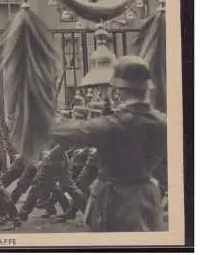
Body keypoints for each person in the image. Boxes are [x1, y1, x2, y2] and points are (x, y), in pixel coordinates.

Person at [49, 56, 166, 232]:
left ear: (119, 90)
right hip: (148, 195)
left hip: (117, 200)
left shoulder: (114, 125)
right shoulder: (163, 121)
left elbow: (65, 132)